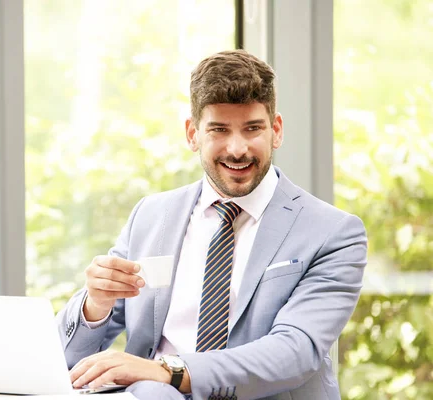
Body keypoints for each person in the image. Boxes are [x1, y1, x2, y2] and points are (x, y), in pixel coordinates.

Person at [56, 49, 367, 400]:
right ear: (193, 134)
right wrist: (95, 306)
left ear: (276, 131)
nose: (237, 149)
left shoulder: (333, 232)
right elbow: (69, 360)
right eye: (219, 130)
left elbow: (294, 352)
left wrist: (168, 371)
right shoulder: (151, 215)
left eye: (253, 129)